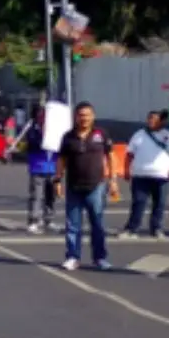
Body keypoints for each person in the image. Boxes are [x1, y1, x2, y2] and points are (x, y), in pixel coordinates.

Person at [57, 102, 113, 271]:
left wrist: (114, 179)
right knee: (73, 225)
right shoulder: (68, 137)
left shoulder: (101, 134)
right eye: (81, 115)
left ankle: (100, 258)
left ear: (93, 116)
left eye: (87, 115)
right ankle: (73, 256)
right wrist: (57, 180)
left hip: (96, 186)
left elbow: (110, 156)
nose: (84, 118)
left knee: (97, 223)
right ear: (76, 117)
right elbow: (61, 160)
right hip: (74, 186)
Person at [121, 110, 169, 239]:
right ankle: (132, 229)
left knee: (159, 204)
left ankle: (156, 228)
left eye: (156, 119)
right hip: (140, 175)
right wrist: (126, 170)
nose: (152, 121)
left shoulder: (168, 135)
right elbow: (129, 154)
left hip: (161, 175)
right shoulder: (139, 135)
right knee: (138, 202)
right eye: (150, 118)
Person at [24, 106, 58, 234]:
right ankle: (33, 221)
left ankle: (48, 219)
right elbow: (33, 144)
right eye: (42, 115)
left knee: (51, 196)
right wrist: (44, 134)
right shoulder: (32, 130)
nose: (44, 118)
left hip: (52, 167)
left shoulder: (55, 130)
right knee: (36, 196)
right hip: (38, 167)